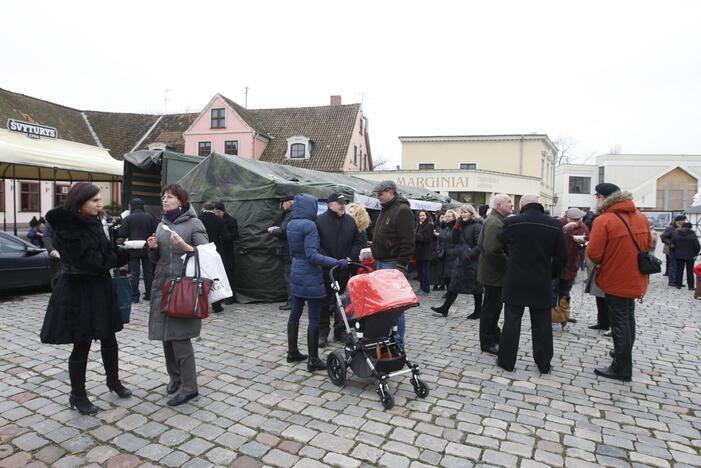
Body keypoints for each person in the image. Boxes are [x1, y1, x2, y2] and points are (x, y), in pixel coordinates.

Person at [40, 182, 132, 415]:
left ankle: (113, 382)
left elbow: (103, 253)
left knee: (109, 338)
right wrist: (115, 257)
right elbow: (90, 262)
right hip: (78, 291)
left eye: (100, 200)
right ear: (80, 202)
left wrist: (122, 252)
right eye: (95, 201)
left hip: (99, 288)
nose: (100, 204)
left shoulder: (92, 221)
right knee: (82, 344)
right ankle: (77, 395)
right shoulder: (68, 228)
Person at [147, 184, 209, 406]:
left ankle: (190, 387)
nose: (165, 200)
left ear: (181, 201)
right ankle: (175, 377)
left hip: (184, 288)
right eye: (163, 197)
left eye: (170, 197)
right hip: (163, 286)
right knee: (166, 336)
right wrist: (153, 249)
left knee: (180, 339)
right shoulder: (162, 223)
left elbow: (207, 254)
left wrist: (185, 246)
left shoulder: (194, 224)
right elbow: (158, 259)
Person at [587, 183, 652, 381]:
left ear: (604, 197)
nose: (596, 198)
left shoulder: (604, 220)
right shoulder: (640, 217)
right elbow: (648, 244)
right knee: (628, 317)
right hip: (636, 276)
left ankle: (621, 367)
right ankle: (623, 354)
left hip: (616, 276)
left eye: (597, 195)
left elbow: (594, 254)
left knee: (619, 321)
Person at [496, 194, 567, 374]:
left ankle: (506, 361)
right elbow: (562, 257)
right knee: (542, 323)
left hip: (516, 278)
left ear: (522, 205)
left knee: (511, 321)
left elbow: (501, 240)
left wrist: (512, 255)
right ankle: (544, 363)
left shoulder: (513, 223)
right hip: (541, 279)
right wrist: (552, 274)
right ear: (539, 204)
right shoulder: (554, 225)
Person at [286, 193, 347, 371]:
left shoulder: (291, 224)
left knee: (295, 314)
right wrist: (336, 262)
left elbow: (293, 252)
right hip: (310, 274)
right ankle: (313, 359)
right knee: (313, 317)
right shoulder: (310, 226)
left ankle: (292, 352)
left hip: (296, 271)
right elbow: (312, 255)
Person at [370, 180, 416, 347]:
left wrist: (401, 266)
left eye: (380, 194)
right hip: (382, 263)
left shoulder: (402, 210)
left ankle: (398, 344)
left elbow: (408, 242)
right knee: (384, 306)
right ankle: (387, 340)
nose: (378, 197)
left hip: (393, 264)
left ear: (390, 191)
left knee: (395, 307)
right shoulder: (386, 209)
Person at [316, 193, 363, 346]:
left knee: (343, 302)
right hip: (326, 270)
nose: (343, 205)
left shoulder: (350, 221)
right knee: (324, 302)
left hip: (344, 269)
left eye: (344, 203)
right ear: (330, 205)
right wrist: (329, 261)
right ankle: (322, 332)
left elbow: (358, 242)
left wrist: (350, 257)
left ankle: (340, 330)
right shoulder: (320, 221)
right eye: (339, 203)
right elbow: (317, 246)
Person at [431, 205, 483, 319]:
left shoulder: (477, 226)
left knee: (475, 288)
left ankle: (478, 311)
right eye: (462, 212)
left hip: (471, 261)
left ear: (471, 213)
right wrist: (456, 226)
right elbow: (454, 239)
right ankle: (445, 308)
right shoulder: (461, 225)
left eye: (465, 212)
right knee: (454, 285)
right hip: (460, 260)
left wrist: (469, 255)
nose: (463, 214)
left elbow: (479, 245)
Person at [477, 194, 512, 355]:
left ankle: (493, 334)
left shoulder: (495, 220)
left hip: (492, 272)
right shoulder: (495, 222)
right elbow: (492, 250)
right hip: (494, 273)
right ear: (499, 205)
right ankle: (487, 341)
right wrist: (508, 264)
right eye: (509, 202)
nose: (511, 204)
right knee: (490, 309)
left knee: (493, 307)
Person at [551, 207, 590, 327]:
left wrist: (583, 242)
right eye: (574, 219)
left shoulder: (583, 227)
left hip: (572, 264)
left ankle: (564, 315)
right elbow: (549, 239)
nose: (577, 222)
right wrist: (564, 230)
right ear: (567, 218)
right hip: (555, 264)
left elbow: (588, 242)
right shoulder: (558, 224)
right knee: (552, 291)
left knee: (565, 293)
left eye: (579, 219)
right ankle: (550, 315)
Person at [118, 198, 158, 303]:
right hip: (147, 247)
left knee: (134, 273)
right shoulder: (150, 217)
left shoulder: (128, 218)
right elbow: (155, 232)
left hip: (133, 248)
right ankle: (149, 294)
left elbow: (122, 234)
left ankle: (134, 296)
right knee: (148, 272)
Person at [199, 202, 226, 313]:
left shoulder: (198, 219)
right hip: (215, 250)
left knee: (201, 276)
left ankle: (201, 304)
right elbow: (224, 236)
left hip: (201, 249)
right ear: (213, 209)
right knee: (216, 277)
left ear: (203, 209)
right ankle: (216, 305)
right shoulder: (218, 220)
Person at [268, 196, 294, 310]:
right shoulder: (293, 214)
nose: (282, 206)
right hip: (290, 250)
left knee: (289, 276)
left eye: (283, 203)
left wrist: (273, 230)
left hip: (288, 250)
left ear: (289, 203)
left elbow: (285, 231)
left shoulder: (290, 214)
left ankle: (292, 302)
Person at [214, 201, 239, 303]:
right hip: (218, 251)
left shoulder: (231, 220)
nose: (215, 213)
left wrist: (225, 237)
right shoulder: (215, 220)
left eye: (216, 211)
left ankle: (230, 297)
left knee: (229, 274)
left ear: (221, 211)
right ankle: (220, 296)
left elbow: (236, 235)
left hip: (227, 251)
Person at [670, 222, 700, 290]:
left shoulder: (677, 234)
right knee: (690, 271)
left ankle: (678, 285)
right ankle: (691, 286)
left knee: (679, 270)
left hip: (678, 255)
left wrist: (674, 251)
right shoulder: (693, 234)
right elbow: (697, 246)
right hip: (690, 255)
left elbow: (672, 244)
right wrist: (695, 253)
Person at [662, 215, 687, 286]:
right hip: (673, 250)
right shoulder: (670, 228)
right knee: (673, 265)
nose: (684, 221)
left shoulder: (683, 228)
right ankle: (672, 281)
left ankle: (678, 281)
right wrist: (670, 243)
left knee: (680, 267)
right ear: (678, 220)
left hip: (682, 250)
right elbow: (663, 237)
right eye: (683, 220)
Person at [414, 210, 435, 295]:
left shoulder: (429, 225)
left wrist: (415, 235)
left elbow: (427, 239)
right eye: (420, 215)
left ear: (427, 216)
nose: (422, 217)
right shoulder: (418, 224)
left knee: (425, 271)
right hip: (419, 253)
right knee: (420, 272)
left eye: (423, 215)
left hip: (425, 252)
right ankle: (421, 287)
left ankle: (426, 289)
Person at [438, 210, 459, 290]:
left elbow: (458, 241)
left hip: (452, 256)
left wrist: (455, 252)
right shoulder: (443, 227)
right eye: (446, 216)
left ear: (454, 217)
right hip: (443, 255)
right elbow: (439, 240)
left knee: (450, 276)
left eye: (449, 216)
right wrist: (439, 250)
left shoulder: (456, 228)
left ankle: (450, 292)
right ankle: (449, 291)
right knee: (444, 276)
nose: (447, 218)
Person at [43, 220, 61, 289]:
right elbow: (46, 236)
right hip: (57, 256)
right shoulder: (52, 220)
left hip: (74, 257)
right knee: (57, 278)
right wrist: (51, 250)